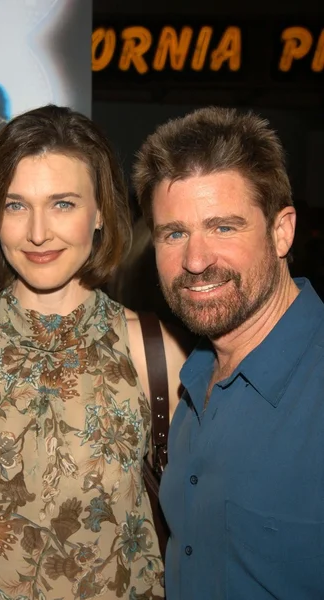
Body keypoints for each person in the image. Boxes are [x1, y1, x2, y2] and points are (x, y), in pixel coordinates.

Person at [0, 105, 187, 600]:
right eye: (15, 204)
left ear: (101, 213)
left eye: (63, 203)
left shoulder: (157, 351)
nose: (38, 232)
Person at [132, 106, 324, 600]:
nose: (195, 261)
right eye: (174, 233)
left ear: (281, 231)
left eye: (223, 227)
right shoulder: (188, 378)